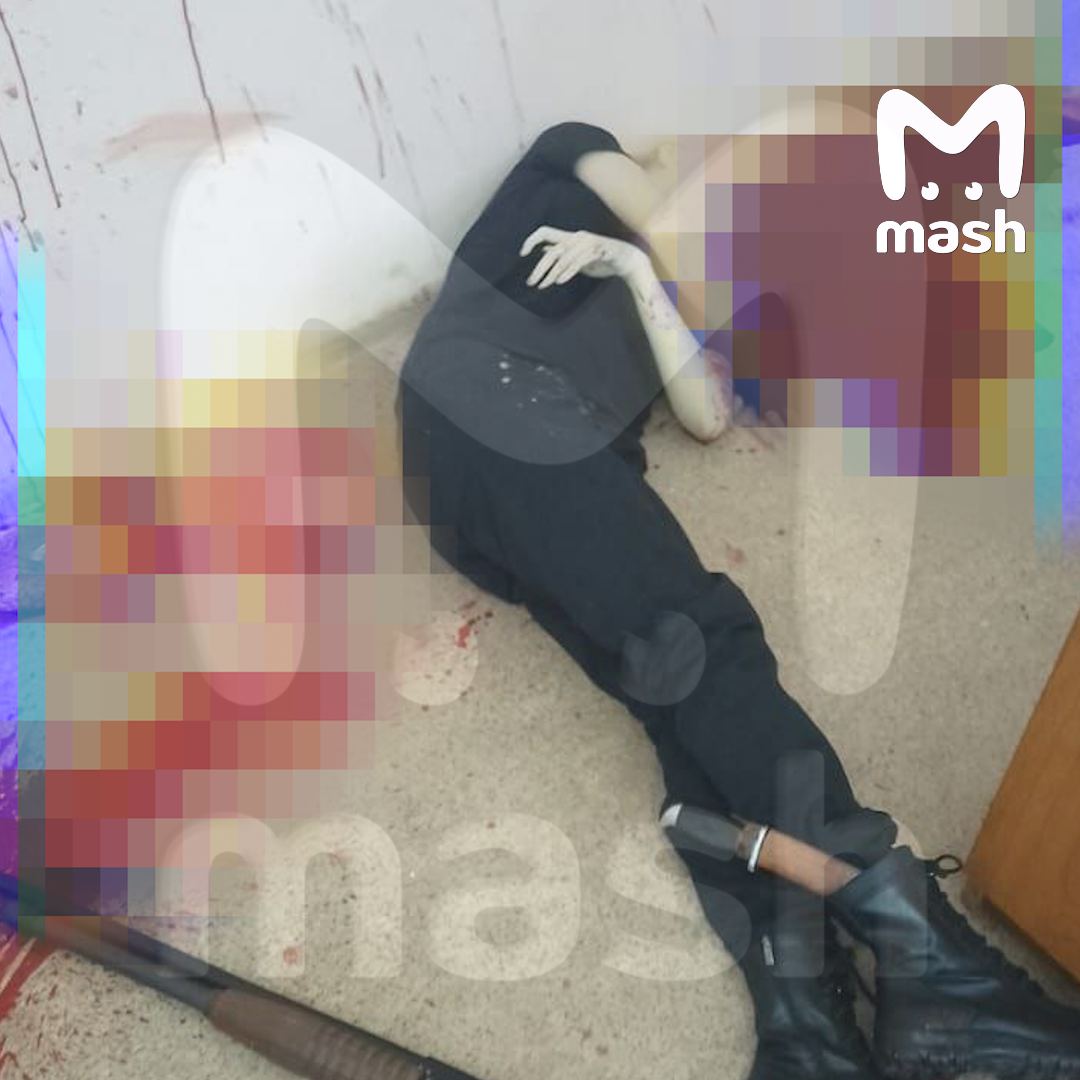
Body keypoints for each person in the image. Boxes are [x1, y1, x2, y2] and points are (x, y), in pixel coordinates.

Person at [397, 122, 1080, 1080]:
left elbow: (708, 419)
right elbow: (673, 215)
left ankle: (802, 1020)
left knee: (677, 698)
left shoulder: (666, 285)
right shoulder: (580, 155)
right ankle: (930, 960)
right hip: (488, 398)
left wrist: (643, 278)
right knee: (706, 637)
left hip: (496, 492)